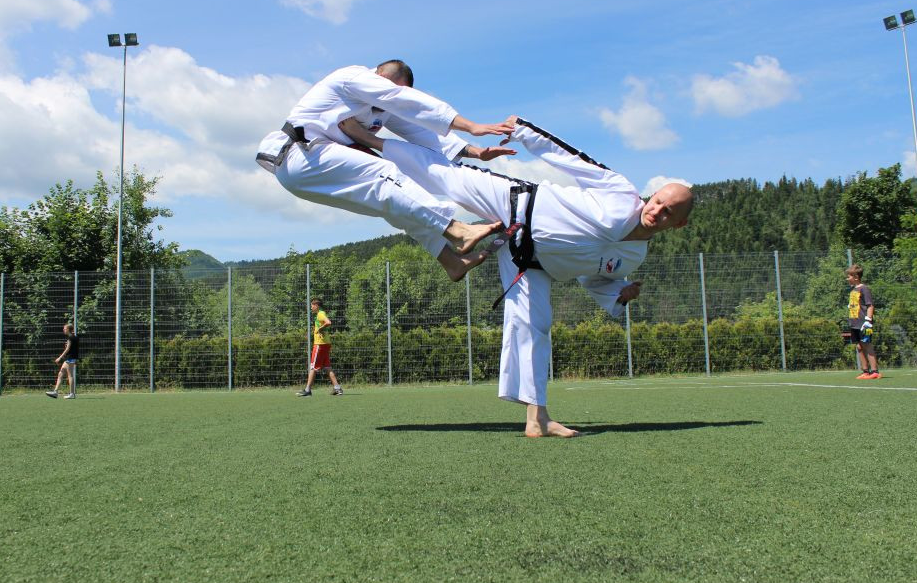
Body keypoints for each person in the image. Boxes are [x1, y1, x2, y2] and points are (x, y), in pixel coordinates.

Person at [339, 115, 693, 437]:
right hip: (514, 204)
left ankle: (537, 419)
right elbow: (572, 158)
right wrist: (524, 131)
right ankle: (363, 139)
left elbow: (592, 276)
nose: (656, 210)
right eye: (658, 201)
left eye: (668, 212)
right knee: (442, 174)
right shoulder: (620, 193)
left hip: (528, 262)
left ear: (679, 224)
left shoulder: (634, 255)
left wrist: (618, 294)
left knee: (534, 329)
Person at [256, 60, 514, 282]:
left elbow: (424, 132)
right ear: (379, 77)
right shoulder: (354, 77)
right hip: (301, 153)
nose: (387, 99)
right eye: (389, 89)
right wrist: (470, 125)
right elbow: (402, 99)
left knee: (395, 203)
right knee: (385, 173)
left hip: (311, 170)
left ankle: (452, 262)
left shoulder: (385, 108)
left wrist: (475, 151)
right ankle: (457, 229)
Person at [298, 299, 343, 397]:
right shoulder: (321, 314)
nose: (311, 307)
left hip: (320, 345)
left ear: (317, 305)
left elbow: (328, 322)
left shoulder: (320, 314)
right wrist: (318, 329)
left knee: (313, 367)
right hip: (326, 343)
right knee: (327, 367)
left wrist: (319, 329)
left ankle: (307, 390)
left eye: (312, 305)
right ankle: (337, 388)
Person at [847, 264, 880, 380]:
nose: (847, 278)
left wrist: (868, 320)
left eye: (849, 276)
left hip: (863, 323)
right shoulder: (853, 290)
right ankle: (865, 371)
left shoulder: (864, 288)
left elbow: (870, 305)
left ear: (856, 277)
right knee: (859, 347)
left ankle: (875, 371)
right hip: (854, 323)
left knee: (867, 345)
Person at [46, 323, 78, 399]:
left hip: (70, 358)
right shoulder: (74, 337)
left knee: (70, 376)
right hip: (70, 358)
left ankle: (72, 394)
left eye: (64, 328)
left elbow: (67, 349)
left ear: (68, 330)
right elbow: (72, 348)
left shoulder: (70, 337)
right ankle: (55, 392)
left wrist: (60, 358)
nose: (63, 330)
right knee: (60, 374)